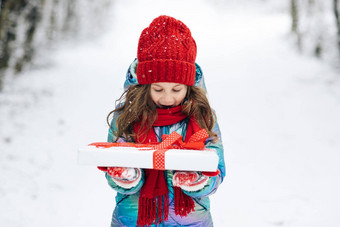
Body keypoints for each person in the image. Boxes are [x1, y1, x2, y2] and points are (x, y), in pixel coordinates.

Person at [101, 15, 226, 227]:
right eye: (158, 90)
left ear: (189, 86)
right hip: (134, 220)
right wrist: (125, 177)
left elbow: (218, 168)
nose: (167, 98)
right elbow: (114, 170)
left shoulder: (202, 116)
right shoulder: (127, 117)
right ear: (144, 86)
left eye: (176, 90)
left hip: (191, 221)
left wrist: (200, 181)